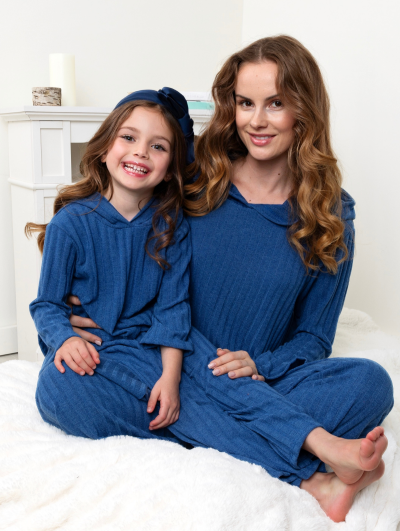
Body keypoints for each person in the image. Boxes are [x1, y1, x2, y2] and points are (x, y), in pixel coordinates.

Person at [56, 37, 394, 523]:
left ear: (305, 111)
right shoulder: (197, 173)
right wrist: (86, 305)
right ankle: (301, 457)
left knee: (371, 385)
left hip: (253, 378)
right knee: (62, 386)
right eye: (245, 103)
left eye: (275, 103)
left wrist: (260, 364)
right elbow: (124, 227)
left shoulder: (330, 214)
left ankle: (206, 426)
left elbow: (315, 337)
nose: (256, 120)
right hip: (165, 359)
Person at [28, 87, 197, 437]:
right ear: (105, 149)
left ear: (169, 169)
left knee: (193, 378)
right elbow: (47, 305)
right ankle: (170, 422)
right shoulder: (69, 224)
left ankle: (165, 409)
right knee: (56, 390)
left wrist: (170, 378)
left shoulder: (171, 227)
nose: (141, 151)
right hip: (91, 350)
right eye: (129, 137)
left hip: (145, 352)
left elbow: (172, 312)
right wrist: (65, 339)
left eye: (158, 146)